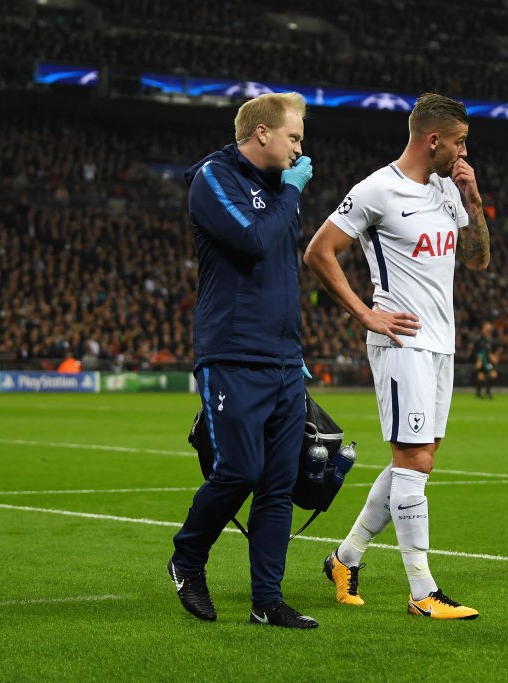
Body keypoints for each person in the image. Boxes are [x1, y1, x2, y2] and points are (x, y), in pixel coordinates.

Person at [303, 93, 490, 620]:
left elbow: (477, 260)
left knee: (417, 461)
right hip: (401, 341)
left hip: (440, 344)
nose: (463, 152)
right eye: (459, 143)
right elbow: (318, 250)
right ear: (433, 139)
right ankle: (421, 590)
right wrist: (365, 313)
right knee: (413, 461)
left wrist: (473, 200)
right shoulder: (376, 190)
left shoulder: (447, 190)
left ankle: (345, 559)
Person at [166, 92, 319, 629]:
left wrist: (293, 351)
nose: (301, 150)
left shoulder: (279, 189)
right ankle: (187, 557)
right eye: (294, 138)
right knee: (239, 470)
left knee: (279, 485)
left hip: (282, 357)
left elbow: (281, 273)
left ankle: (267, 601)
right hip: (230, 354)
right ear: (261, 134)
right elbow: (254, 242)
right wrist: (292, 195)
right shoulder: (213, 179)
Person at [474, 321, 498, 399]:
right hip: (481, 361)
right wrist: (478, 360)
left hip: (488, 362)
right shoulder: (479, 340)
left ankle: (487, 392)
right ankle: (478, 394)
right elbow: (476, 351)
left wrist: (493, 356)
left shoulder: (491, 340)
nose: (488, 330)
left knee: (493, 375)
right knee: (480, 376)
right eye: (486, 328)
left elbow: (491, 351)